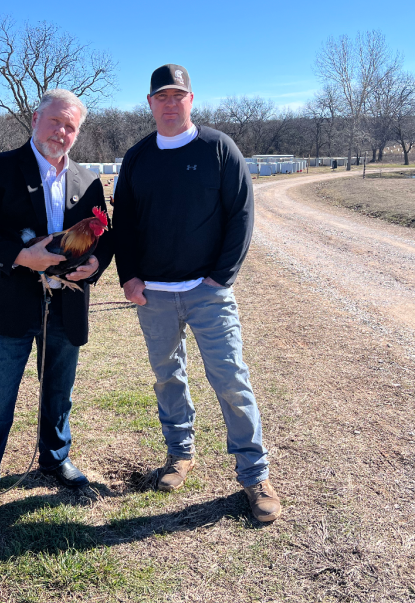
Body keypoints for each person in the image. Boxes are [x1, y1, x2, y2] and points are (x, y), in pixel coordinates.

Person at [112, 64, 281, 522]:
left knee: (230, 380)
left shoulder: (218, 149)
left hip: (208, 292)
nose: (169, 103)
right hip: (155, 295)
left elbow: (241, 215)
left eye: (177, 95)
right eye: (161, 96)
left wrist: (220, 278)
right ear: (149, 103)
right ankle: (179, 454)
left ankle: (254, 475)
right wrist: (129, 276)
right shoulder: (138, 157)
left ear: (191, 100)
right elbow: (122, 222)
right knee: (168, 376)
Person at [0, 89, 113, 527]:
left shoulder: (87, 179)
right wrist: (22, 257)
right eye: (55, 121)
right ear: (35, 119)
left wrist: (96, 264)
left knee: (58, 390)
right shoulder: (0, 167)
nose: (61, 132)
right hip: (9, 301)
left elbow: (106, 237)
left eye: (71, 127)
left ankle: (54, 458)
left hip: (67, 305)